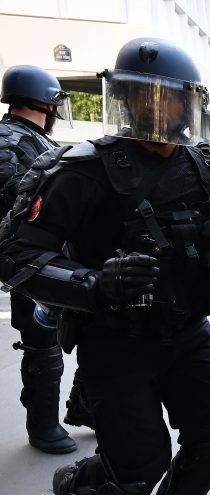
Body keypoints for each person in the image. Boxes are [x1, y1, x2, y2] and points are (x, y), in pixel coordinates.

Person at [0, 37, 210, 495]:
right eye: (143, 98)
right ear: (122, 100)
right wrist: (93, 283)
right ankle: (76, 489)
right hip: (115, 342)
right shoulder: (79, 170)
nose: (156, 111)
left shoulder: (209, 167)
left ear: (188, 105)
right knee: (133, 475)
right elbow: (14, 252)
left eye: (168, 100)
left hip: (188, 332)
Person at [0, 65, 93, 453]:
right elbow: (18, 203)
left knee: (80, 327)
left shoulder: (24, 138)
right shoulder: (12, 143)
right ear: (45, 103)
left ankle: (81, 409)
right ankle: (43, 426)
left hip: (37, 257)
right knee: (43, 341)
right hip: (31, 260)